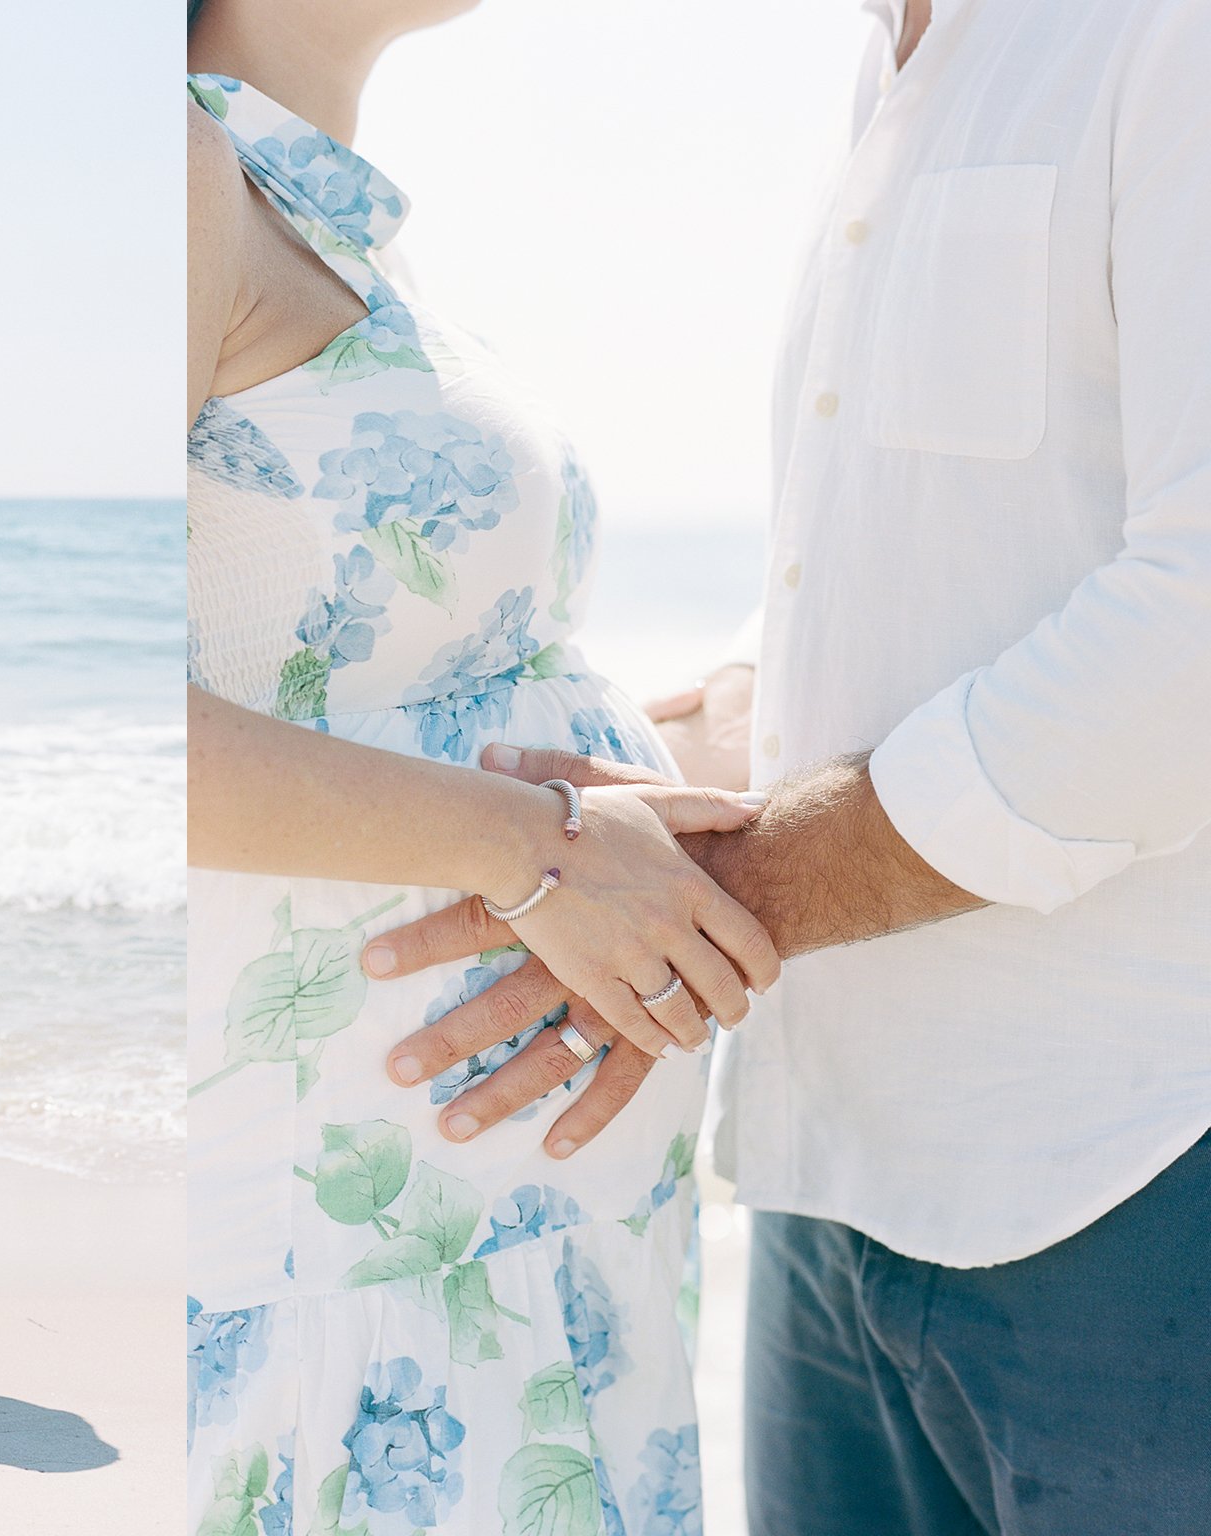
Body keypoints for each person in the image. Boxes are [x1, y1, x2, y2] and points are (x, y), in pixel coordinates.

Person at [370, 2, 1211, 1530]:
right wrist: (647, 780)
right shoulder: (890, 70)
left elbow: (1195, 639)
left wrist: (715, 896)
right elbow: (914, 562)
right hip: (830, 1176)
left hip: (1137, 1173)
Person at [184, 2, 782, 1530]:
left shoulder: (318, 212)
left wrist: (667, 777)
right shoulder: (173, 169)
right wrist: (546, 852)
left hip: (527, 1236)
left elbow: (391, 684)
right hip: (367, 1242)